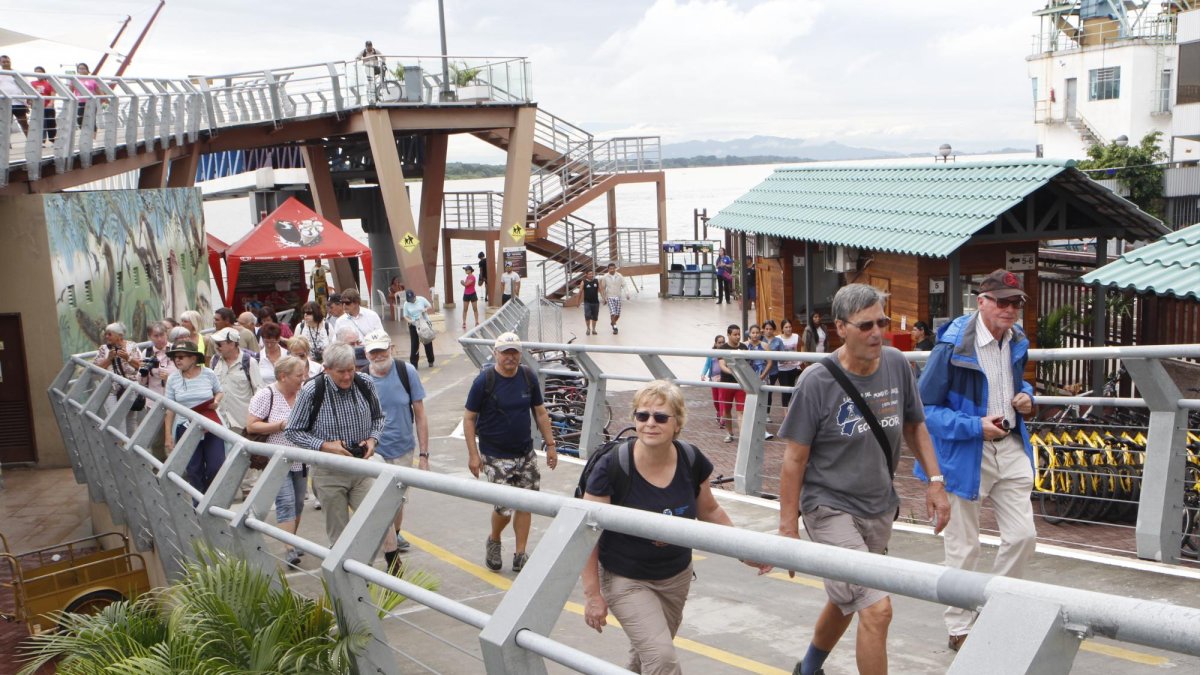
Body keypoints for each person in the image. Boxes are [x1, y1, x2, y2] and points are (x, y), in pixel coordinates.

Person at [777, 284, 950, 675]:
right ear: (841, 327)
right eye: (867, 325)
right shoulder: (815, 383)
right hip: (829, 508)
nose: (878, 332)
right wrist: (787, 529)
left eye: (882, 323)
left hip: (878, 506)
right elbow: (794, 459)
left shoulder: (896, 364)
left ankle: (807, 670)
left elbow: (915, 426)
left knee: (846, 600)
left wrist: (935, 481)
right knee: (876, 608)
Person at [581, 380, 769, 674]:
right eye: (642, 416)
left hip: (675, 576)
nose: (650, 423)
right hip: (626, 578)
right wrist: (593, 595)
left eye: (660, 417)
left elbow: (709, 511)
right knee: (662, 658)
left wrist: (744, 550)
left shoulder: (691, 460)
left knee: (649, 656)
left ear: (677, 423)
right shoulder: (613, 466)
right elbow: (587, 532)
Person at [917, 269, 1037, 652]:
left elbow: (1016, 384)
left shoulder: (1016, 339)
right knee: (964, 546)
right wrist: (974, 426)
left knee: (1023, 537)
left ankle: (993, 607)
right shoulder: (952, 346)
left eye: (1016, 302)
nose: (1011, 309)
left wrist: (1027, 397)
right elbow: (923, 410)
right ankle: (959, 626)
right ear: (981, 302)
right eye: (1002, 301)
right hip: (966, 451)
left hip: (1011, 445)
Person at [464, 332, 558, 573]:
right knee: (504, 508)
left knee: (526, 503)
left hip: (525, 452)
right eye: (505, 352)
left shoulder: (527, 377)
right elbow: (469, 418)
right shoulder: (484, 381)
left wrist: (550, 445)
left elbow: (540, 412)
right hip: (494, 454)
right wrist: (474, 455)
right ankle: (494, 539)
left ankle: (520, 554)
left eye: (514, 352)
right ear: (496, 353)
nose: (510, 357)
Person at [286, 342, 385, 546]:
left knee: (375, 520)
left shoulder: (365, 382)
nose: (348, 376)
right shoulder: (312, 390)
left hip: (361, 467)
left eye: (351, 370)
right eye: (341, 372)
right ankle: (344, 575)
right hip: (329, 472)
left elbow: (378, 417)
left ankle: (367, 570)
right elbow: (292, 431)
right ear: (327, 369)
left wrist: (372, 440)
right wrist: (325, 445)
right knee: (339, 534)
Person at [363, 330, 430, 570]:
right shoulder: (362, 379)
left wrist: (424, 455)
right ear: (366, 354)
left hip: (403, 448)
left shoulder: (406, 372)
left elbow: (420, 414)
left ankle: (394, 533)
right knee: (382, 501)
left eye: (382, 349)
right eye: (373, 351)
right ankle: (390, 553)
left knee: (398, 502)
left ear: (391, 348)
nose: (379, 355)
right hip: (374, 450)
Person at [246, 355, 308, 566]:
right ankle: (289, 549)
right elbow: (252, 425)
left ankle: (292, 539)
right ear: (283, 376)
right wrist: (280, 425)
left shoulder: (303, 395)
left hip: (300, 458)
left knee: (299, 502)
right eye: (299, 375)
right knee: (286, 501)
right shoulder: (266, 395)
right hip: (276, 459)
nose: (303, 378)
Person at [163, 339, 225, 493]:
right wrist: (168, 436)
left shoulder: (208, 374)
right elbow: (169, 409)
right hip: (186, 428)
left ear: (193, 358)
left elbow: (220, 391)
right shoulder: (172, 379)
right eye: (175, 357)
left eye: (181, 356)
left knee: (215, 467)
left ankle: (211, 500)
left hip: (210, 426)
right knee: (193, 470)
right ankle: (198, 508)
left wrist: (216, 401)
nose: (177, 360)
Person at [210, 327, 263, 436]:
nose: (217, 347)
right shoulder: (214, 361)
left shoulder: (249, 362)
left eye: (220, 344)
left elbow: (259, 391)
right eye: (216, 343)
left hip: (242, 423)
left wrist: (254, 420)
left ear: (232, 344)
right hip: (219, 421)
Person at [93, 322, 142, 436]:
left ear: (120, 335)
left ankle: (131, 448)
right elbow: (95, 369)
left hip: (130, 388)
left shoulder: (132, 346)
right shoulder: (103, 349)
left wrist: (127, 357)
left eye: (110, 334)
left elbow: (141, 365)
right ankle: (120, 445)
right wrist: (109, 359)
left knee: (131, 420)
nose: (106, 337)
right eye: (106, 334)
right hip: (111, 390)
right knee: (117, 421)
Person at [715, 324, 747, 443]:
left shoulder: (744, 347)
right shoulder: (723, 348)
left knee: (741, 410)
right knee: (726, 410)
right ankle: (729, 433)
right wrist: (734, 372)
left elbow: (746, 365)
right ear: (729, 335)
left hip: (740, 384)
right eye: (735, 334)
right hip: (727, 383)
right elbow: (722, 366)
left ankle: (743, 436)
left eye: (739, 334)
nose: (738, 337)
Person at [401, 289, 435, 368]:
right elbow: (405, 315)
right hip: (414, 324)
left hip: (423, 322)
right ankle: (414, 363)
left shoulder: (421, 299)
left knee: (427, 341)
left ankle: (431, 360)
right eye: (410, 299)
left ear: (415, 296)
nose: (411, 300)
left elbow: (429, 305)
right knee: (414, 343)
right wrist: (410, 321)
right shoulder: (406, 304)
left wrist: (425, 309)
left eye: (412, 298)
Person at [700, 334, 726, 425]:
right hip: (713, 379)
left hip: (723, 379)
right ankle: (719, 412)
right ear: (715, 343)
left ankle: (723, 417)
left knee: (721, 397)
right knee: (716, 399)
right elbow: (707, 365)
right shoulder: (711, 354)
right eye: (719, 343)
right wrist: (703, 374)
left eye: (723, 342)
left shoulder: (726, 353)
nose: (721, 344)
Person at [0, 56, 30, 137]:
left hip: (18, 103)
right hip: (4, 103)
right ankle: (6, 144)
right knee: (5, 124)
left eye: (8, 61)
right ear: (0, 63)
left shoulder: (17, 73)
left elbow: (26, 86)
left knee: (24, 123)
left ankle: (31, 141)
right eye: (4, 62)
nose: (6, 63)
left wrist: (29, 99)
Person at [775, 319, 802, 409]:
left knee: (791, 389)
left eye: (790, 327)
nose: (789, 329)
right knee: (784, 390)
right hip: (782, 368)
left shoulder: (796, 336)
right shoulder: (778, 338)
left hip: (793, 367)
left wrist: (801, 359)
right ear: (782, 329)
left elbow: (802, 346)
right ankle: (785, 412)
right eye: (786, 327)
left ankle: (790, 409)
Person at [762, 320, 783, 423]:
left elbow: (782, 356)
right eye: (766, 329)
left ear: (774, 330)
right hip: (760, 370)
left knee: (769, 392)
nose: (768, 331)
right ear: (763, 330)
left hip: (773, 371)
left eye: (770, 329)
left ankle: (766, 413)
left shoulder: (778, 341)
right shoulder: (760, 339)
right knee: (761, 391)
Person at [30, 67, 55, 144]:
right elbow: (30, 94)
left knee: (51, 123)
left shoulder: (49, 83)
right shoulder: (32, 83)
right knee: (41, 124)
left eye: (40, 72)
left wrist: (51, 103)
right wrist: (30, 102)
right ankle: (42, 141)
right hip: (38, 107)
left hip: (48, 106)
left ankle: (52, 140)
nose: (38, 73)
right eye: (36, 72)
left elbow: (53, 94)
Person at [72, 62, 99, 128]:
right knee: (80, 121)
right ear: (77, 70)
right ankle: (85, 136)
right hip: (80, 103)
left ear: (87, 70)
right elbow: (69, 91)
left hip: (91, 102)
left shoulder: (92, 80)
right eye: (80, 68)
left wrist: (106, 101)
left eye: (83, 68)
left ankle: (93, 137)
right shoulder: (75, 80)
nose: (82, 70)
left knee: (92, 121)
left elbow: (99, 92)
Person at [600, 262, 625, 335]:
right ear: (608, 269)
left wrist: (627, 293)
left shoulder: (619, 275)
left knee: (617, 315)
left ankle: (612, 322)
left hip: (618, 297)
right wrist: (604, 298)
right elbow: (603, 288)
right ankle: (615, 327)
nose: (612, 270)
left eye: (613, 268)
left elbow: (624, 284)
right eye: (610, 269)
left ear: (615, 268)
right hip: (610, 297)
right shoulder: (605, 277)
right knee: (613, 313)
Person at [579, 268, 601, 336]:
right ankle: (588, 328)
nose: (591, 275)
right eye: (590, 274)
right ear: (586, 275)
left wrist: (604, 298)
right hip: (587, 302)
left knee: (595, 317)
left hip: (596, 302)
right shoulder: (583, 282)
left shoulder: (596, 281)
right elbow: (580, 292)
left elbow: (600, 290)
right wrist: (578, 302)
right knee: (587, 315)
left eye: (592, 274)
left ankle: (594, 329)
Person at [460, 266, 479, 330]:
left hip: (472, 294)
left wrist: (462, 282)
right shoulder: (467, 277)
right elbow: (466, 285)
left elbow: (466, 284)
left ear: (470, 270)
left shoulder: (472, 277)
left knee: (475, 308)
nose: (465, 270)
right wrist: (463, 282)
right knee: (465, 309)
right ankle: (464, 322)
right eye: (465, 269)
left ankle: (476, 322)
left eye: (466, 269)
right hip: (466, 294)